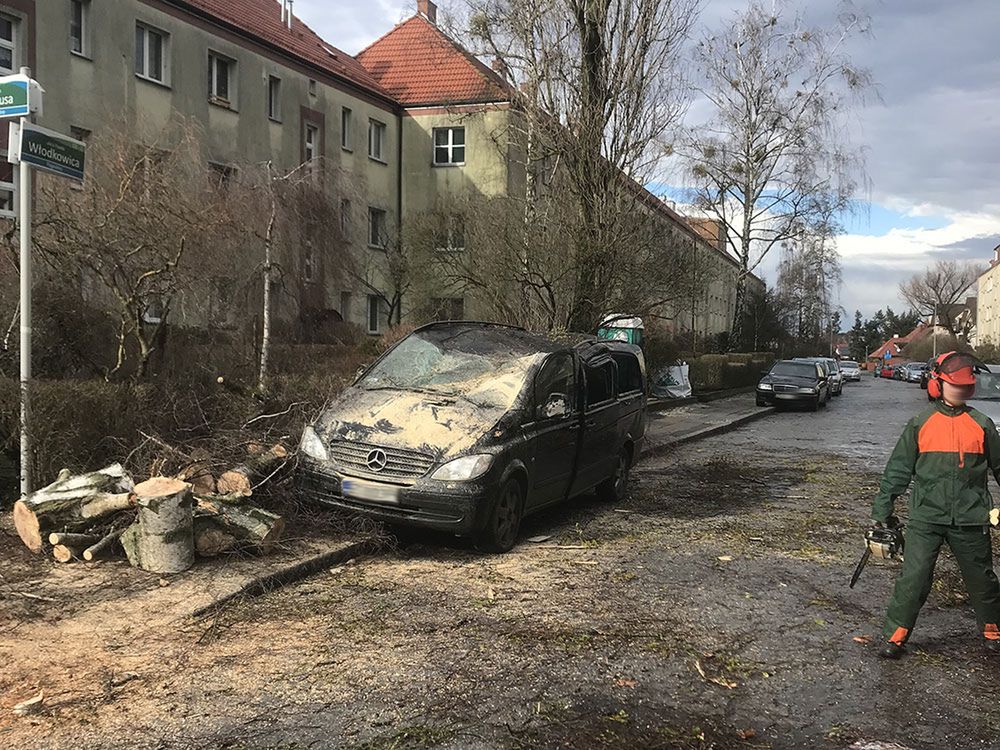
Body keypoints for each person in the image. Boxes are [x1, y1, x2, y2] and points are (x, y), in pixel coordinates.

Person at [871, 350, 1000, 659]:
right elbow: (898, 470)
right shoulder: (921, 423)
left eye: (965, 386)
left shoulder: (982, 424)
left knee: (982, 578)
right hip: (926, 517)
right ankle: (895, 634)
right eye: (954, 385)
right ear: (937, 384)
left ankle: (993, 629)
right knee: (913, 578)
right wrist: (882, 511)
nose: (960, 390)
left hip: (971, 518)